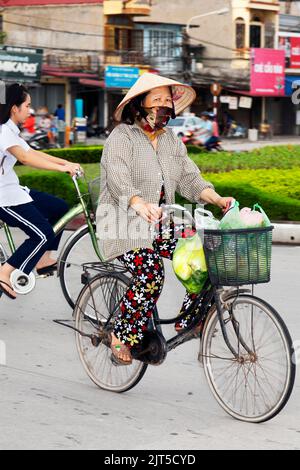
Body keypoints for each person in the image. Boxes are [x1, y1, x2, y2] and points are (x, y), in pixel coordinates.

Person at [96, 73, 234, 365]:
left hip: (160, 224)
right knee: (151, 274)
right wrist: (137, 202)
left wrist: (216, 198)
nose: (162, 106)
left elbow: (189, 178)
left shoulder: (171, 140)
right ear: (139, 105)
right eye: (156, 100)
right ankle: (121, 334)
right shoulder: (122, 137)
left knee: (203, 255)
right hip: (123, 223)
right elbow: (117, 177)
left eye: (166, 100)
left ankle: (190, 319)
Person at [0, 83, 83, 299]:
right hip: (4, 198)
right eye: (27, 105)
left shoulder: (10, 130)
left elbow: (34, 152)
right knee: (41, 234)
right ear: (14, 108)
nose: (31, 110)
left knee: (60, 208)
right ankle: (6, 272)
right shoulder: (3, 130)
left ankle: (44, 259)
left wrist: (66, 163)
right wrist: (62, 168)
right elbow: (26, 159)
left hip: (14, 190)